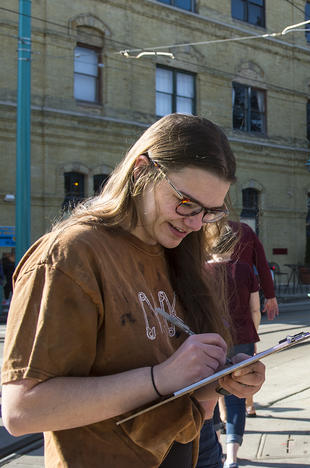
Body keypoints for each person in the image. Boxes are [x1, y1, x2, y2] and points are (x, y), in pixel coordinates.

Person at [1, 113, 265, 467]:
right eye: (186, 203)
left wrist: (218, 379)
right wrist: (161, 378)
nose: (196, 222)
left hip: (193, 450)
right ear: (141, 170)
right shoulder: (70, 255)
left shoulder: (176, 251)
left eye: (210, 211)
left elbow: (174, 383)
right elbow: (22, 410)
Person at [196, 223, 262, 468]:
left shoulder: (200, 271)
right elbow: (255, 309)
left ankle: (214, 446)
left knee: (211, 393)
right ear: (233, 245)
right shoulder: (246, 270)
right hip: (242, 337)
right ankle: (232, 455)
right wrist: (253, 334)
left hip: (210, 339)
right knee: (237, 393)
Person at [225, 220, 277, 417]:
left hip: (215, 303)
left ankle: (222, 416)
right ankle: (248, 404)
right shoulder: (244, 230)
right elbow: (262, 264)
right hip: (244, 298)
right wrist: (270, 295)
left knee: (218, 365)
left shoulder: (201, 227)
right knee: (245, 359)